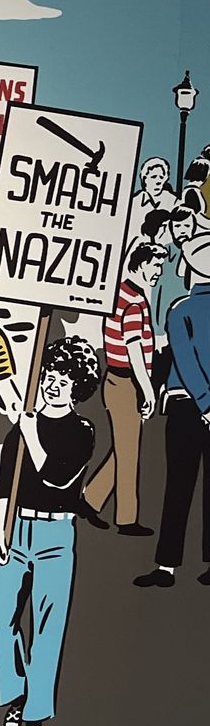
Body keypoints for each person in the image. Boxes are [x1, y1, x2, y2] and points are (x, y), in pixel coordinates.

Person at [0, 337, 99, 726]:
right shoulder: (21, 430)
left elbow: (56, 476)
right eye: (50, 375)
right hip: (15, 530)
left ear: (79, 388)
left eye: (65, 380)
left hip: (55, 534)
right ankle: (17, 692)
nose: (53, 384)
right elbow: (2, 485)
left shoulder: (82, 431)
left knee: (48, 626)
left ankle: (34, 716)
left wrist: (31, 430)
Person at [136, 231, 210, 588]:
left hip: (185, 406)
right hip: (200, 407)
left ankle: (167, 566)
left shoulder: (180, 310)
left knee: (178, 487)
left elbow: (185, 359)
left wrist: (205, 403)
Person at [87, 242, 162, 535]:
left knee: (123, 448)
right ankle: (127, 520)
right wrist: (148, 391)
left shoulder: (122, 292)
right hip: (126, 382)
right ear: (141, 264)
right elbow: (135, 352)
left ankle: (91, 500)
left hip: (117, 380)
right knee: (129, 453)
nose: (158, 272)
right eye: (155, 266)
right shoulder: (133, 302)